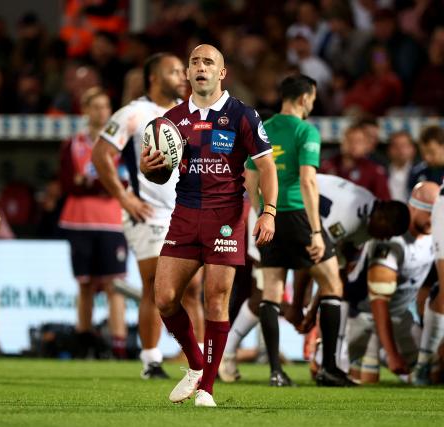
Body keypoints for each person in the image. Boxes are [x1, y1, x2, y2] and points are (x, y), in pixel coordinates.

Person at [143, 44, 277, 407]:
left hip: (226, 216)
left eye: (209, 62)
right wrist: (149, 169)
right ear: (187, 73)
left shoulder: (241, 114)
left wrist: (269, 211)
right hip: (185, 214)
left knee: (216, 299)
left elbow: (266, 166)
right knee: (165, 298)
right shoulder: (170, 121)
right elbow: (158, 175)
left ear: (222, 73)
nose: (200, 67)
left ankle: (207, 389)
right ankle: (196, 366)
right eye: (194, 62)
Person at [220, 174, 410, 381]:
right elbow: (311, 253)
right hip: (272, 213)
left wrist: (310, 312)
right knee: (264, 293)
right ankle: (227, 354)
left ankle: (326, 364)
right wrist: (297, 307)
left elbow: (336, 270)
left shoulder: (368, 222)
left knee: (298, 293)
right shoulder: (350, 215)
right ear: (382, 217)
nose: (384, 239)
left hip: (295, 223)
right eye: (387, 232)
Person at [92, 52, 204, 379]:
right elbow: (102, 154)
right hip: (148, 213)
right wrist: (124, 198)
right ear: (154, 77)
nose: (182, 77)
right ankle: (151, 360)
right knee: (156, 286)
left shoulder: (188, 114)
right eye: (173, 72)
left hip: (185, 211)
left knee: (194, 289)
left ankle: (195, 361)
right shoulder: (133, 113)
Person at [244, 75, 354, 387]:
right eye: (313, 98)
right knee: (333, 284)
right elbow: (307, 180)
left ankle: (276, 372)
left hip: (270, 216)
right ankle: (330, 368)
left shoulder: (262, 129)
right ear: (305, 98)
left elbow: (249, 179)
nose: (313, 103)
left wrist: (261, 213)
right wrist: (317, 231)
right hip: (298, 215)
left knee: (272, 293)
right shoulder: (306, 130)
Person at [58, 87, 128, 359]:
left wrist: (89, 182)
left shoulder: (119, 142)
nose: (101, 111)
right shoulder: (73, 144)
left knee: (115, 286)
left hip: (113, 222)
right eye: (95, 106)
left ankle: (119, 345)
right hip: (79, 221)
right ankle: (84, 340)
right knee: (85, 285)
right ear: (85, 110)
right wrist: (104, 184)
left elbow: (123, 181)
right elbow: (68, 184)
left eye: (105, 106)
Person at [347, 182, 439, 384]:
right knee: (359, 378)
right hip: (361, 316)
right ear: (412, 207)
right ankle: (377, 353)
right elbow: (379, 301)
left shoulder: (436, 235)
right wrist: (393, 353)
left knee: (435, 373)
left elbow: (427, 288)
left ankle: (382, 353)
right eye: (429, 212)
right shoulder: (393, 239)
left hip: (399, 316)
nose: (434, 218)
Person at [413, 127, 444, 385]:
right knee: (435, 294)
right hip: (435, 231)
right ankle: (427, 358)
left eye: (432, 151)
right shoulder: (423, 172)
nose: (428, 156)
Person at [320, 124, 391, 200]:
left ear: (366, 145)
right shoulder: (327, 165)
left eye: (359, 142)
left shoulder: (374, 171)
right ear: (343, 142)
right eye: (350, 140)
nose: (353, 145)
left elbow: (384, 202)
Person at [386, 131, 416, 202]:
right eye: (395, 146)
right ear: (389, 150)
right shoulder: (381, 172)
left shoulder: (419, 173)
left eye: (404, 145)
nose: (400, 150)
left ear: (412, 149)